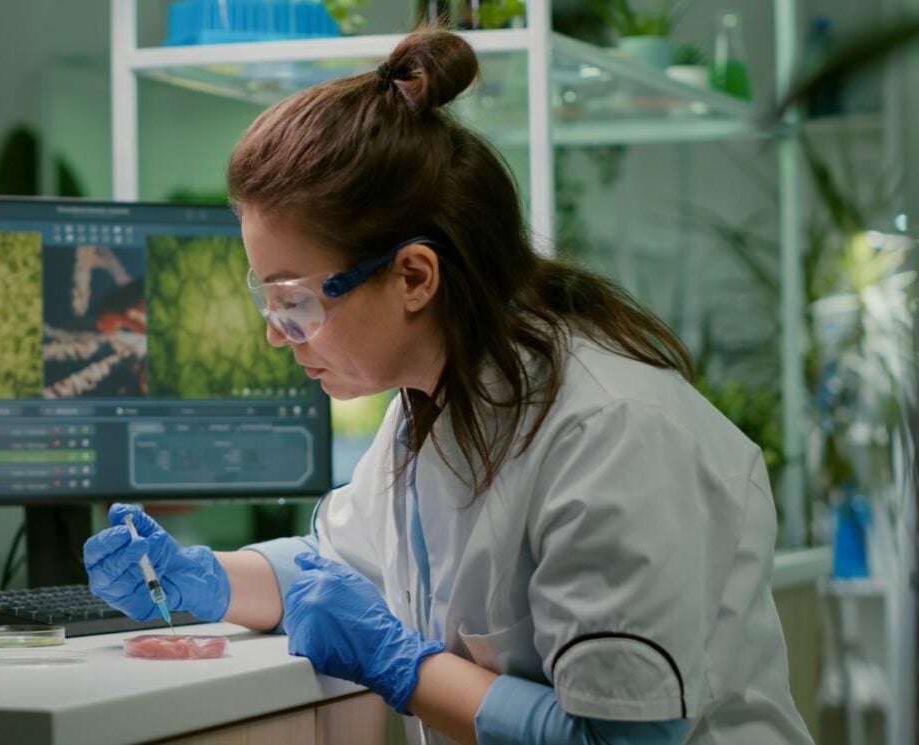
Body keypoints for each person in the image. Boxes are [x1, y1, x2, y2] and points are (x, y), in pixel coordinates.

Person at [84, 29, 815, 745]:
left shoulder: (610, 432)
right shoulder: (431, 407)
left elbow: (620, 736)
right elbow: (334, 566)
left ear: (413, 276)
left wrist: (401, 664)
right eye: (267, 301)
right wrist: (198, 578)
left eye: (295, 301)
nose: (277, 334)